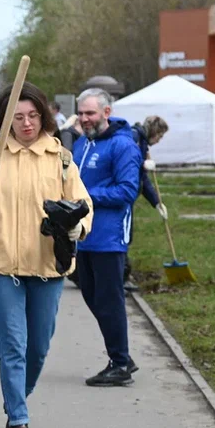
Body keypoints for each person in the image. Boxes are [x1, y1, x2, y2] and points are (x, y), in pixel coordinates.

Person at [0, 82, 93, 428]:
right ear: (5, 120)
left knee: (39, 347)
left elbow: (82, 203)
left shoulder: (60, 158)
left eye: (32, 115)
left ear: (43, 116)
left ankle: (16, 396)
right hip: (2, 266)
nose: (27, 123)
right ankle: (19, 420)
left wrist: (77, 226)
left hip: (47, 265)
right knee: (13, 346)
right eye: (17, 117)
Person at [73, 87, 142, 387]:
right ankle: (122, 353)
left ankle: (120, 363)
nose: (84, 118)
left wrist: (86, 197)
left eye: (90, 113)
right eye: (81, 113)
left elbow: (127, 190)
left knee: (109, 300)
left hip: (110, 237)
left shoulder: (123, 146)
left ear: (107, 112)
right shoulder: (82, 143)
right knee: (91, 295)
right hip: (83, 235)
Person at [124, 115, 171, 289]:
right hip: (122, 196)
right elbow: (125, 162)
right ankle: (121, 278)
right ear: (154, 131)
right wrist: (141, 163)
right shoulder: (134, 137)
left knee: (127, 236)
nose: (159, 140)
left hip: (129, 197)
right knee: (124, 236)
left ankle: (122, 277)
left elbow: (143, 180)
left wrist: (157, 203)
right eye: (160, 136)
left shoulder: (143, 142)